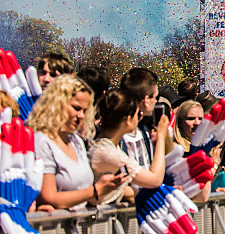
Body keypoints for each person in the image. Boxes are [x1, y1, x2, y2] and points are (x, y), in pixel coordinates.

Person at [28, 75, 127, 210]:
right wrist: (95, 191)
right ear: (57, 104)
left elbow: (84, 193)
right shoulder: (42, 141)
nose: (81, 115)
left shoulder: (76, 141)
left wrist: (106, 189)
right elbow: (48, 197)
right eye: (76, 108)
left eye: (85, 110)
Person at [89, 89, 169, 204]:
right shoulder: (106, 152)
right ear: (128, 119)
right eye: (137, 114)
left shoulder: (110, 147)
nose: (139, 118)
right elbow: (154, 179)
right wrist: (161, 136)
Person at [119, 68, 160, 172]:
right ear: (146, 100)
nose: (156, 101)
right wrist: (162, 138)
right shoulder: (121, 135)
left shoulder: (143, 130)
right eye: (155, 97)